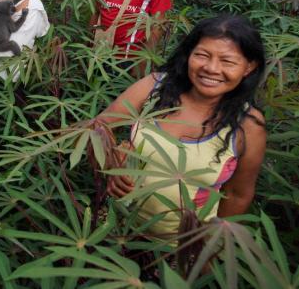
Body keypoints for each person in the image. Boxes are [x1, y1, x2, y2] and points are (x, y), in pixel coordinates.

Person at [96, 15, 266, 239]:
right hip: (114, 228)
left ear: (248, 67)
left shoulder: (249, 125)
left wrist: (208, 247)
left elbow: (237, 195)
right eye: (202, 55)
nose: (212, 68)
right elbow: (99, 127)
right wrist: (111, 163)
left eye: (228, 61)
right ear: (189, 55)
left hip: (182, 246)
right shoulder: (154, 88)